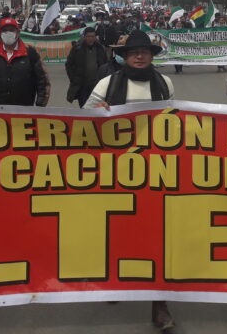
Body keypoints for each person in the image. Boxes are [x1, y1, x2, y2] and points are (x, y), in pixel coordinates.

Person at [83, 29, 176, 331]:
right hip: (116, 170)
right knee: (116, 229)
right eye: (134, 52)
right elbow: (83, 117)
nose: (139, 56)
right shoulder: (107, 84)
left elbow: (175, 121)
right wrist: (96, 112)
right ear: (125, 56)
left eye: (144, 52)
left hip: (155, 171)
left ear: (151, 56)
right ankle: (114, 281)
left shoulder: (165, 84)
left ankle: (159, 304)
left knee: (158, 236)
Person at [0, 17, 50, 107]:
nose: (8, 33)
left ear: (18, 32)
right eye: (5, 30)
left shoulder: (30, 53)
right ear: (0, 33)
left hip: (24, 109)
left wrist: (40, 106)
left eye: (11, 30)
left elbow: (42, 81)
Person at [65, 26, 107, 107]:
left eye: (93, 36)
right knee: (84, 107)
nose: (91, 39)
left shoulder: (101, 48)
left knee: (96, 106)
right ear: (84, 37)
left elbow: (105, 64)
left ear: (95, 37)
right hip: (82, 85)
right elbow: (69, 64)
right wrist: (73, 79)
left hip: (96, 85)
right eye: (88, 36)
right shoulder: (77, 48)